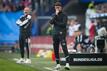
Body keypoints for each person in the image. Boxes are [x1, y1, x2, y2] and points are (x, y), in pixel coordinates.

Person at [49, 2, 70, 70]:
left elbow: (63, 24)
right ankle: (58, 64)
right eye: (56, 7)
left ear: (61, 7)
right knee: (55, 49)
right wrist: (55, 15)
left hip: (62, 33)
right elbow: (51, 22)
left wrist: (56, 22)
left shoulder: (64, 15)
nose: (57, 8)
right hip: (55, 34)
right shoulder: (53, 15)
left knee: (64, 47)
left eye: (58, 7)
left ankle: (67, 64)